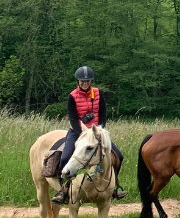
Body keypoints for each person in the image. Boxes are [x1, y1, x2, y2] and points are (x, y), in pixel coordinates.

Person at [52, 66, 127, 204]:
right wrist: (84, 134)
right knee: (64, 158)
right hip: (78, 131)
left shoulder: (99, 93)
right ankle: (63, 191)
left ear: (91, 81)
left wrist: (100, 131)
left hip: (96, 132)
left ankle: (115, 186)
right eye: (82, 81)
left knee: (119, 156)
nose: (85, 83)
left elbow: (103, 115)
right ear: (78, 81)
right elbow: (73, 119)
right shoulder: (72, 96)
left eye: (87, 81)